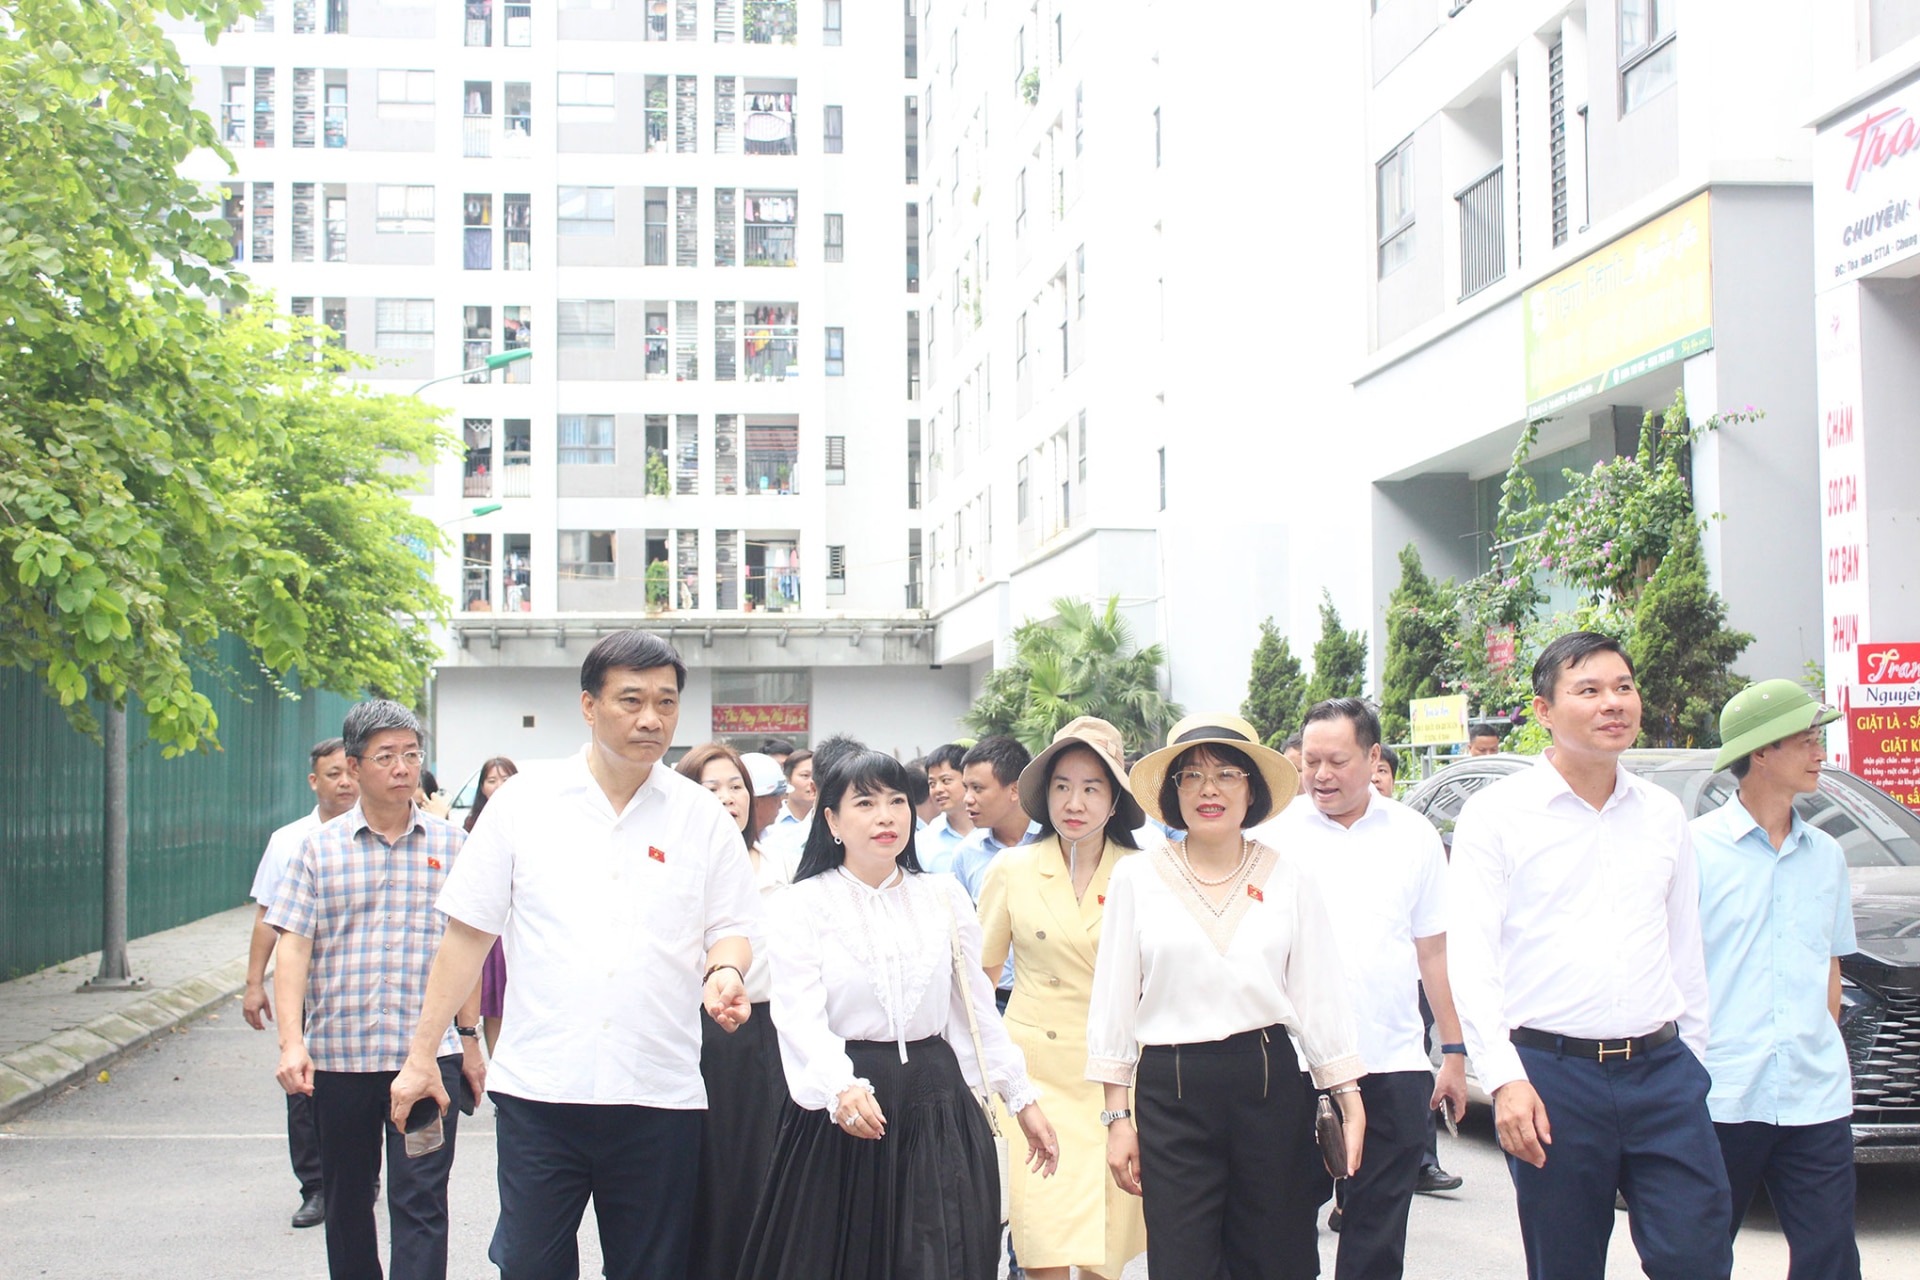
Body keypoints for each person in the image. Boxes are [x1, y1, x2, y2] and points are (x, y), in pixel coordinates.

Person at [389, 630, 763, 1280]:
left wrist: (726, 969)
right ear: (589, 706)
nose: (651, 717)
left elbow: (732, 927)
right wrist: (423, 1056)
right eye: (631, 700)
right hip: (541, 1096)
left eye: (666, 702)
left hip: (659, 1096)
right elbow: (467, 936)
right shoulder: (523, 805)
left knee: (654, 1269)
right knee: (531, 1267)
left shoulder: (701, 818)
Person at [1448, 631, 1730, 1280]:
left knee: (1698, 1254)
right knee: (1567, 1263)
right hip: (1553, 1077)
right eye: (1590, 690)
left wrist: (1694, 1059)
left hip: (1662, 1072)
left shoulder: (1662, 815)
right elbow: (1473, 956)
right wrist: (1506, 1076)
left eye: (1623, 687)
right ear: (1544, 710)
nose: (1614, 703)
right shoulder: (1497, 816)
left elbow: (1685, 947)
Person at [734, 744, 1061, 1280]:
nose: (886, 816)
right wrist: (841, 1087)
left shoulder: (943, 896)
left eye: (896, 801)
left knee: (939, 1254)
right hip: (844, 1109)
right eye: (864, 803)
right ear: (832, 820)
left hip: (937, 1102)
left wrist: (1022, 1099)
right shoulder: (801, 905)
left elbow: (975, 1012)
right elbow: (798, 1018)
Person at [1089, 712, 1366, 1279]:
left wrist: (1347, 1093)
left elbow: (1319, 994)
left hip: (1270, 1081)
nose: (1208, 789)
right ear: (1173, 793)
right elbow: (1114, 1001)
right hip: (1171, 1090)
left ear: (1253, 788)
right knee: (1182, 1260)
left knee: (1277, 1255)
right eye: (1190, 776)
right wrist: (1118, 1116)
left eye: (1227, 774)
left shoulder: (1290, 877)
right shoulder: (1135, 879)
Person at [1251, 699, 1467, 1280]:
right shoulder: (1272, 836)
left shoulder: (1414, 834)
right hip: (1296, 1064)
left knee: (1377, 1231)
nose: (1320, 775)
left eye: (1337, 761)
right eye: (1310, 761)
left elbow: (1433, 951)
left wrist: (1452, 1050)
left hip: (1391, 1063)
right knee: (1285, 1225)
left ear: (1373, 757)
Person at [267, 701, 483, 1280]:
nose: (402, 768)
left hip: (426, 1061)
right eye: (386, 757)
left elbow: (468, 948)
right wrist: (293, 1043)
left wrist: (469, 1040)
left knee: (421, 1202)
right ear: (354, 766)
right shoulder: (317, 849)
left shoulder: (455, 847)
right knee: (346, 1202)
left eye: (411, 755)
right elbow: (293, 948)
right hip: (339, 1061)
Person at [1693, 680, 1860, 1279]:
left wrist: (1821, 1045)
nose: (1820, 754)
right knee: (1698, 1256)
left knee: (1830, 1258)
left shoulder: (1827, 856)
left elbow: (1831, 966)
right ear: (1761, 752)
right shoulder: (1695, 853)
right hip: (1721, 1093)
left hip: (1815, 1096)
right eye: (1807, 741)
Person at [977, 718, 1149, 1280]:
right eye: (1062, 785)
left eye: (1092, 787)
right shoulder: (1011, 869)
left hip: (1115, 1084)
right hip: (1034, 1083)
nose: (1074, 802)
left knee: (1104, 1252)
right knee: (1042, 1246)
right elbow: (980, 978)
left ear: (1115, 797)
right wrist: (983, 1074)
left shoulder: (1143, 874)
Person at [677, 742, 795, 1280]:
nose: (728, 798)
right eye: (711, 788)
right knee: (713, 1170)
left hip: (774, 1030)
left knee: (768, 1170)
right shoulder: (675, 864)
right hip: (705, 1031)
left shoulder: (780, 862)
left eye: (737, 786)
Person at [243, 737, 360, 1230]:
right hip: (308, 991)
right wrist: (254, 983)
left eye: (348, 771)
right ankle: (315, 1186)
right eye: (332, 774)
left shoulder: (387, 833)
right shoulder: (290, 841)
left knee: (365, 1088)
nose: (344, 782)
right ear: (315, 781)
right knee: (304, 1089)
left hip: (360, 986)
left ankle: (359, 1175)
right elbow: (268, 917)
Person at [465, 756, 520, 1056]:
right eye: (492, 780)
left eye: (506, 778)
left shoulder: (531, 819)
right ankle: (495, 1065)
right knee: (493, 1004)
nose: (499, 786)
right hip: (489, 925)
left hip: (517, 922)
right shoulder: (472, 825)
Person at [919, 742, 978, 873]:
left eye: (946, 781)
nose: (938, 789)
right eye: (932, 783)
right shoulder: (923, 841)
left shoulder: (994, 830)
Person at [761, 748, 815, 854]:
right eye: (805, 776)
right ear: (787, 779)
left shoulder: (830, 821)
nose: (812, 782)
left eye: (817, 776)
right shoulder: (771, 819)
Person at [742, 751, 791, 851]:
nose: (780, 805)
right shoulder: (729, 844)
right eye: (775, 798)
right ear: (756, 801)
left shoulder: (779, 840)